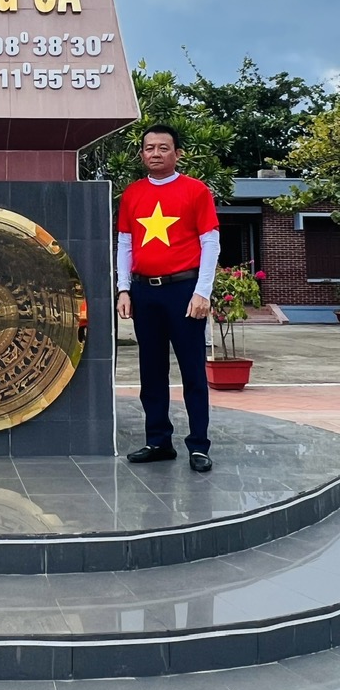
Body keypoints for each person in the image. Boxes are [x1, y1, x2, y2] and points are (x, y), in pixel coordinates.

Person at [117, 124, 220, 473]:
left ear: (177, 153)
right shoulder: (132, 193)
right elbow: (125, 244)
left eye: (163, 148)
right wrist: (124, 289)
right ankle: (158, 440)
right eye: (149, 148)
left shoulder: (196, 190)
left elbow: (210, 242)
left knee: (192, 370)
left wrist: (202, 291)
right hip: (145, 291)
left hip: (184, 291)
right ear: (142, 154)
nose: (156, 154)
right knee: (151, 370)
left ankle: (199, 445)